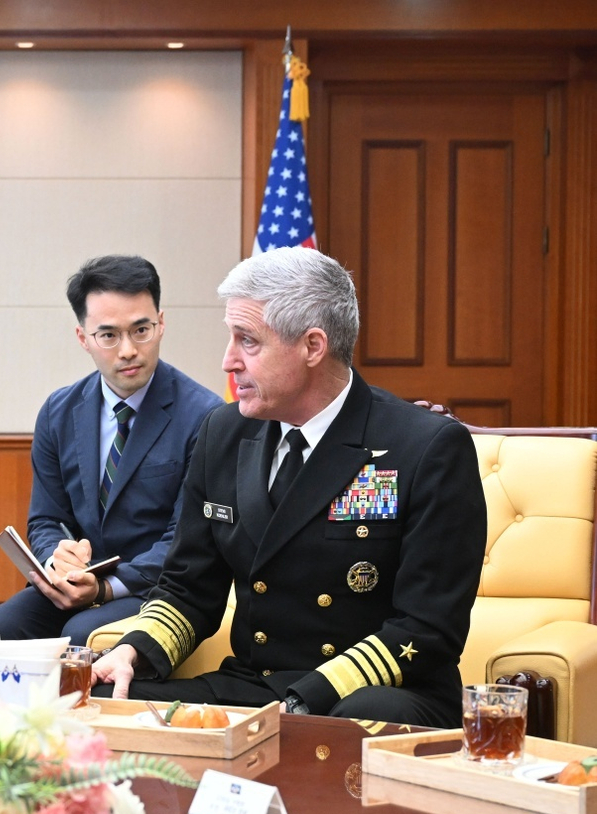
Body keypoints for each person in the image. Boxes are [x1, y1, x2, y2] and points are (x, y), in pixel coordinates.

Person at [92, 246, 486, 726]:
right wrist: (132, 651)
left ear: (313, 346)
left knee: (354, 720)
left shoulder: (424, 447)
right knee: (112, 701)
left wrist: (305, 700)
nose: (228, 361)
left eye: (248, 341)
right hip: (256, 684)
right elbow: (189, 588)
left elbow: (426, 630)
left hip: (380, 691)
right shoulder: (223, 431)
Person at [0, 255, 222, 642]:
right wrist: (57, 559)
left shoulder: (207, 416)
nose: (128, 350)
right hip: (77, 582)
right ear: (84, 339)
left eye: (141, 330)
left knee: (82, 634)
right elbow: (45, 519)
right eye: (109, 335)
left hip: (154, 589)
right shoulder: (58, 412)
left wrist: (105, 587)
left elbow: (187, 540)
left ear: (161, 324)